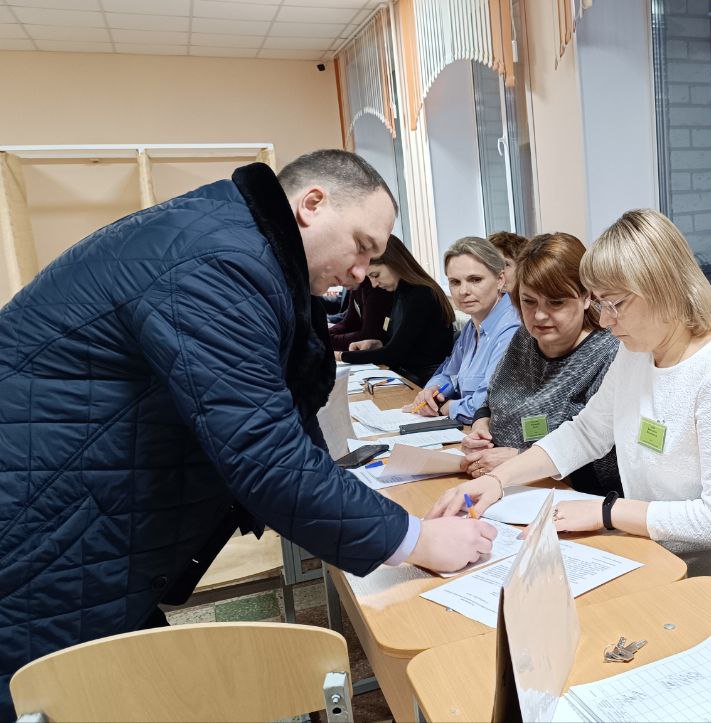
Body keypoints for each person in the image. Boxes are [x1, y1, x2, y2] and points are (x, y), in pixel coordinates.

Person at [0, 150, 496, 717]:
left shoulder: (239, 245)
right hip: (43, 524)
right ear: (312, 205)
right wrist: (416, 540)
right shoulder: (221, 262)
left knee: (128, 688)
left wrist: (363, 506)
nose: (361, 272)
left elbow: (281, 411)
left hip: (74, 511)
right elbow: (264, 452)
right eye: (361, 246)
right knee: (63, 694)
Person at [430, 209, 711, 596]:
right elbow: (587, 432)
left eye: (614, 303)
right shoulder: (638, 351)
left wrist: (607, 512)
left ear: (662, 289)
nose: (604, 321)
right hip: (652, 558)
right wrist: (498, 480)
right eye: (601, 303)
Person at [460, 232, 622, 497]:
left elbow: (607, 463)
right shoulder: (524, 337)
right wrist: (481, 425)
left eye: (556, 302)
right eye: (529, 302)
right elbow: (491, 398)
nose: (539, 315)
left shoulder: (609, 354)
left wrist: (520, 460)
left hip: (562, 496)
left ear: (586, 297)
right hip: (500, 481)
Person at [405, 236, 520, 424]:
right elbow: (448, 374)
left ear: (500, 280)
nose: (463, 291)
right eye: (455, 282)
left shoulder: (512, 328)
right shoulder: (471, 326)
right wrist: (431, 391)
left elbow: (488, 404)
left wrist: (446, 406)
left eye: (475, 280)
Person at [336, 234, 454, 385]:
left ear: (394, 263)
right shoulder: (402, 292)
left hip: (424, 381)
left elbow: (393, 354)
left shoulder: (422, 294)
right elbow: (404, 343)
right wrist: (377, 344)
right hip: (409, 375)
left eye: (375, 275)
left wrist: (341, 356)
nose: (374, 284)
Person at [327, 277, 394, 351]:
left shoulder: (376, 288)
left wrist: (328, 340)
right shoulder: (356, 286)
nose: (339, 283)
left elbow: (369, 336)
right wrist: (326, 333)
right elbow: (349, 322)